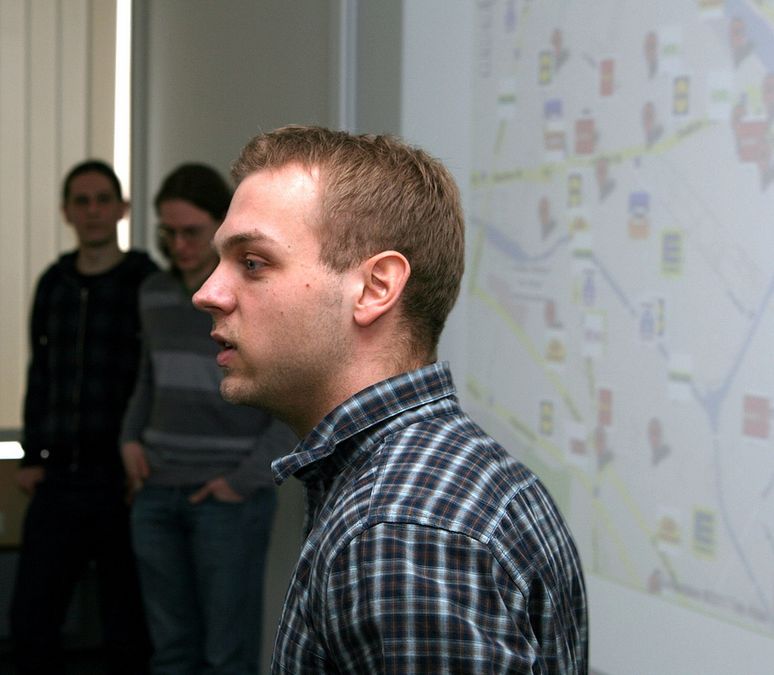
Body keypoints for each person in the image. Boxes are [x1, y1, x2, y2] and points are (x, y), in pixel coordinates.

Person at [192, 125, 589, 673]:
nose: (207, 293)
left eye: (253, 262)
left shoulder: (403, 530)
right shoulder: (447, 476)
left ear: (376, 287)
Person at [120, 163, 293, 675]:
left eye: (191, 232)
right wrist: (129, 439)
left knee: (226, 656)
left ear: (221, 227)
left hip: (225, 498)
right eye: (168, 233)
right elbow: (149, 376)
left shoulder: (254, 295)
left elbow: (287, 396)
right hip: (156, 489)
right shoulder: (153, 292)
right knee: (171, 652)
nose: (178, 245)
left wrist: (242, 481)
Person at [11, 160, 156, 674]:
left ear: (122, 209)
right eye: (81, 201)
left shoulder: (146, 282)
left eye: (102, 200)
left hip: (123, 479)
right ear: (66, 212)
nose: (92, 211)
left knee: (127, 622)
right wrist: (32, 455)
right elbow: (40, 373)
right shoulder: (54, 283)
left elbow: (155, 378)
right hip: (58, 476)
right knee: (31, 619)